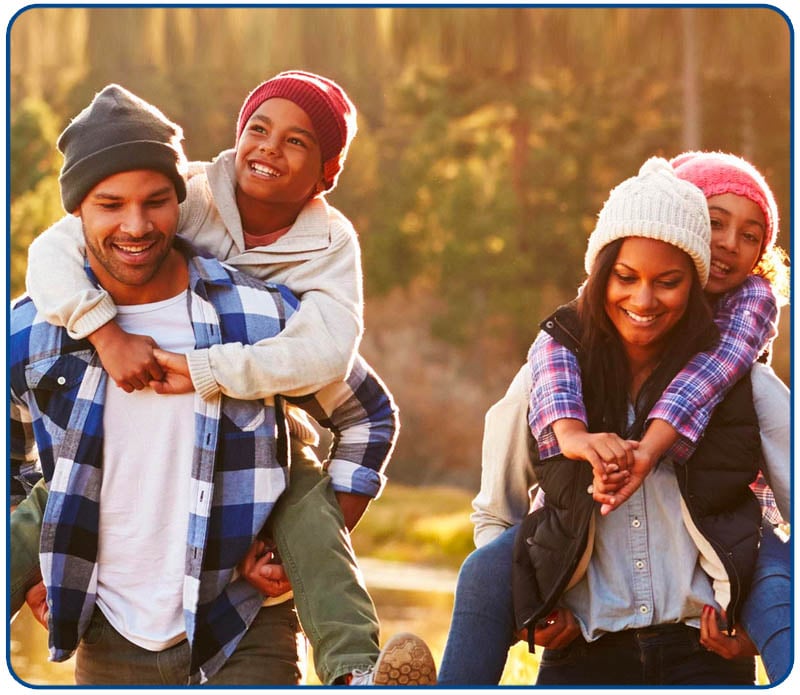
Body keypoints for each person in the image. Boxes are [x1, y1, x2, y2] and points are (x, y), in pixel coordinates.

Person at [18, 74, 436, 686]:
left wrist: (293, 553)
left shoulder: (279, 300)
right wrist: (43, 568)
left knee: (302, 488)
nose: (135, 224)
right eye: (109, 204)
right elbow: (52, 254)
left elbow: (357, 395)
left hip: (240, 621)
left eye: (153, 202)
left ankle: (354, 674)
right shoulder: (38, 326)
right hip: (109, 628)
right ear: (78, 208)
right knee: (41, 505)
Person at [440, 157, 788, 685]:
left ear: (692, 284)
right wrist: (533, 608)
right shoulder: (547, 376)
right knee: (478, 574)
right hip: (583, 652)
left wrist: (753, 633)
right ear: (601, 275)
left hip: (704, 656)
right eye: (625, 278)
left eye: (668, 282)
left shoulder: (746, 386)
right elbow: (497, 516)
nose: (643, 300)